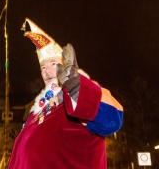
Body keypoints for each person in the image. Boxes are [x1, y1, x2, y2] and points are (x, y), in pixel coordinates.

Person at [8, 18, 123, 169]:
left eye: (54, 64)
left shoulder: (81, 91)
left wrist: (74, 86)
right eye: (43, 67)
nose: (47, 71)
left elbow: (113, 119)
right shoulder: (39, 110)